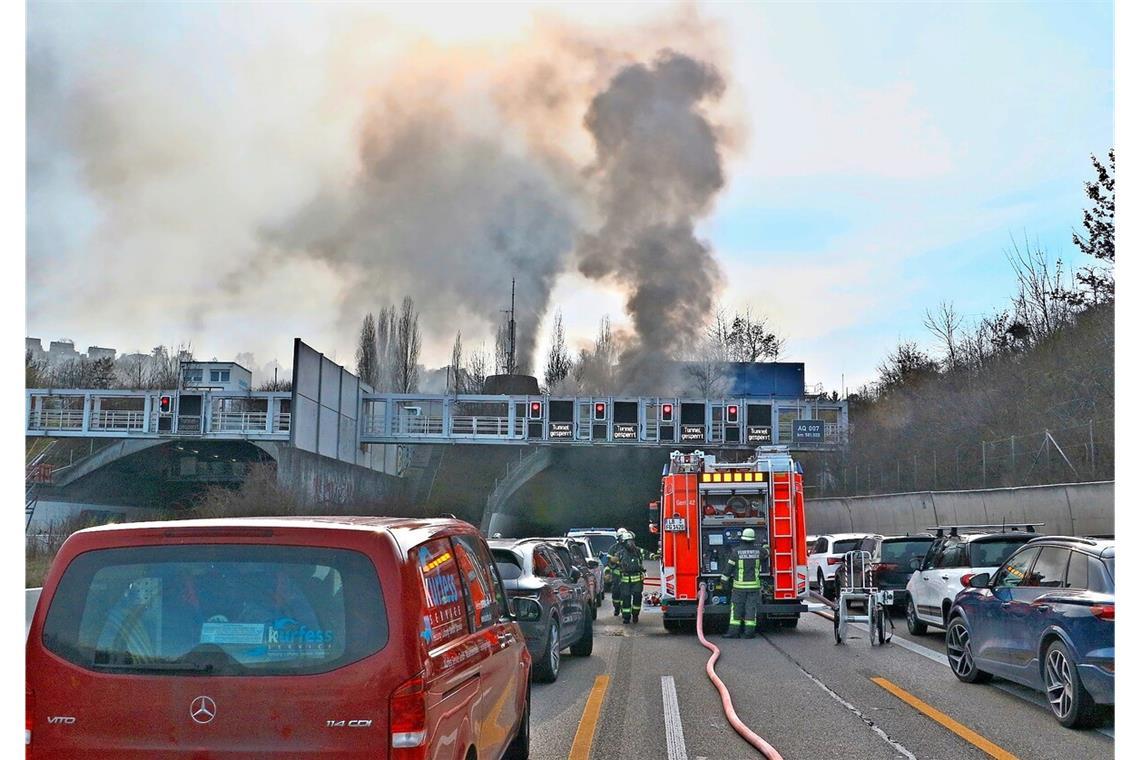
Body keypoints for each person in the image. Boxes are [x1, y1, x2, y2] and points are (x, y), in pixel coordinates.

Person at [720, 528, 770, 639]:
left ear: (742, 539)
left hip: (739, 588)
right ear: (753, 540)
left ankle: (733, 632)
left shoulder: (736, 552)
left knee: (736, 609)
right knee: (751, 609)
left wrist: (724, 582)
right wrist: (765, 544)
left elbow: (728, 570)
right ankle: (749, 633)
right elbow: (767, 552)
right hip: (753, 588)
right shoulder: (759, 551)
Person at [611, 529, 646, 624]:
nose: (631, 544)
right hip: (625, 580)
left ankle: (635, 615)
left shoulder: (638, 551)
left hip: (637, 579)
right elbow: (611, 562)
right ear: (624, 542)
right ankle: (626, 617)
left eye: (632, 541)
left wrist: (656, 555)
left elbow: (648, 554)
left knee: (637, 597)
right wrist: (613, 561)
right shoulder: (620, 553)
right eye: (628, 542)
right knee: (625, 598)